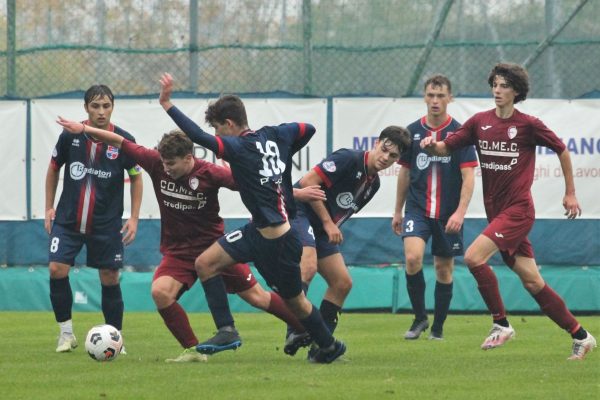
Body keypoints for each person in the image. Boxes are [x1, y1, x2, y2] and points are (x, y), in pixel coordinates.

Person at [53, 119, 322, 362]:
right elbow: (121, 142)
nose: (166, 168)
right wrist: (85, 130)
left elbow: (258, 185)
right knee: (160, 293)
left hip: (216, 250)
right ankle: (193, 351)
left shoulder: (210, 173)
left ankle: (306, 330)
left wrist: (296, 194)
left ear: (188, 158)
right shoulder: (156, 162)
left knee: (258, 297)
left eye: (172, 163)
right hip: (178, 253)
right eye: (164, 162)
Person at [158, 72, 345, 363]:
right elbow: (307, 129)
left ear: (230, 125)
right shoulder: (275, 135)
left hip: (279, 241)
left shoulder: (239, 147)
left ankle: (329, 345)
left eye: (219, 130)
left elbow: (197, 137)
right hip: (257, 232)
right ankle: (227, 330)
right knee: (205, 263)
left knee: (296, 302)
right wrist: (283, 158)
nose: (218, 137)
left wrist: (168, 104)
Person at [420, 62, 596, 360]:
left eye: (504, 86)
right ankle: (581, 336)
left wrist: (570, 192)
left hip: (518, 211)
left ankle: (500, 323)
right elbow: (446, 147)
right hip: (497, 213)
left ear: (517, 91)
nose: (497, 90)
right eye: (495, 84)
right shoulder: (479, 122)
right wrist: (429, 146)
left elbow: (562, 149)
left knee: (474, 257)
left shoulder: (528, 124)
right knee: (532, 281)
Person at [287, 126, 411, 351]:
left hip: (322, 225)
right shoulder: (348, 158)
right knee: (308, 266)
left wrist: (328, 225)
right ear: (376, 143)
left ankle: (321, 347)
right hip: (300, 211)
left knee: (342, 283)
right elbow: (307, 182)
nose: (385, 158)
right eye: (384, 149)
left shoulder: (374, 184)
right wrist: (327, 223)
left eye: (393, 156)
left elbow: (340, 212)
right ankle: (295, 329)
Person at [45, 85, 143, 353]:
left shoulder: (123, 140)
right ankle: (66, 334)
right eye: (95, 106)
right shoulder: (70, 136)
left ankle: (116, 338)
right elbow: (53, 169)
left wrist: (134, 217)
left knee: (110, 276)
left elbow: (136, 177)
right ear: (86, 107)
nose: (101, 112)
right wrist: (48, 208)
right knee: (56, 269)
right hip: (67, 221)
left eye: (106, 106)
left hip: (106, 224)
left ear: (113, 107)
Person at [392, 75, 478, 340]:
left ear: (450, 98)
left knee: (443, 268)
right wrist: (398, 211)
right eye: (431, 95)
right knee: (412, 258)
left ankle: (438, 328)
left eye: (441, 96)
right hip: (417, 210)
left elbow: (469, 177)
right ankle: (419, 318)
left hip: (447, 214)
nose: (435, 101)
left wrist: (460, 212)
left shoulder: (460, 134)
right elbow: (404, 174)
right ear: (424, 97)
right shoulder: (411, 132)